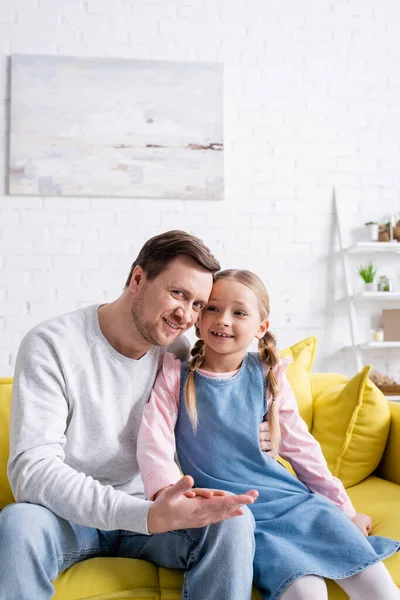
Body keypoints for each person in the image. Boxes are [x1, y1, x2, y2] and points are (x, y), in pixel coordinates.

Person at [0, 232, 264, 600]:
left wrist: (260, 429)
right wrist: (141, 515)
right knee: (18, 523)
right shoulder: (52, 344)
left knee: (234, 523)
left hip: (152, 510)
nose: (186, 315)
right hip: (70, 518)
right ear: (138, 279)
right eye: (178, 294)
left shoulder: (176, 349)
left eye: (197, 304)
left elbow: (219, 407)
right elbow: (32, 470)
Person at [137, 269, 400, 600]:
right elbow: (154, 443)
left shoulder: (266, 375)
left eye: (239, 312)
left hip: (297, 504)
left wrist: (346, 511)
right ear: (198, 318)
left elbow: (304, 451)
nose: (223, 320)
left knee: (381, 589)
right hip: (241, 518)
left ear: (261, 327)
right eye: (213, 308)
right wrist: (165, 496)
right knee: (306, 592)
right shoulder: (176, 375)